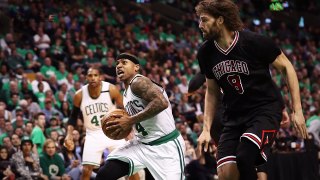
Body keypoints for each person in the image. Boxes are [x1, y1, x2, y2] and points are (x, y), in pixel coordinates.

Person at [195, 1, 307, 180]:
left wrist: (297, 110)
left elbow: (287, 68)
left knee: (245, 155)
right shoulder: (205, 53)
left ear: (220, 20)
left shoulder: (254, 42)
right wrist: (206, 129)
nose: (200, 25)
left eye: (204, 20)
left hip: (264, 111)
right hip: (233, 117)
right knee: (226, 173)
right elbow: (212, 91)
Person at [96, 53, 186, 180]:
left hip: (165, 146)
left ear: (136, 67)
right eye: (117, 64)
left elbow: (161, 102)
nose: (119, 66)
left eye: (124, 62)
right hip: (141, 144)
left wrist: (130, 120)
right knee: (105, 174)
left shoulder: (138, 82)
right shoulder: (126, 93)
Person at [187, 73, 290, 180]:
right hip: (234, 118)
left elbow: (192, 87)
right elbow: (267, 82)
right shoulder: (240, 63)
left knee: (239, 163)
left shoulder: (214, 66)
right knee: (251, 159)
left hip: (221, 121)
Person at [64, 67, 127, 180]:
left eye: (95, 75)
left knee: (129, 164)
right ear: (86, 77)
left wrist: (128, 128)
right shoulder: (79, 95)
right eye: (90, 75)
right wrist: (69, 134)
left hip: (112, 130)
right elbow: (73, 117)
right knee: (86, 170)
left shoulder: (111, 89)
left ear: (100, 77)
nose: (93, 78)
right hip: (93, 133)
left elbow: (125, 108)